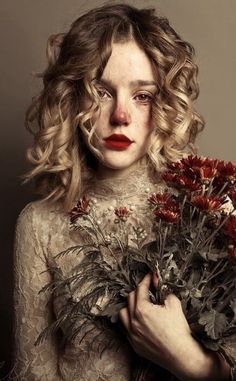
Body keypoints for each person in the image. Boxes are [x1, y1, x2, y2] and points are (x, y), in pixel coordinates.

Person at [13, 3, 235, 380]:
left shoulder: (208, 214)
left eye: (142, 96)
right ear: (74, 99)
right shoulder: (40, 223)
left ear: (164, 104)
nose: (121, 115)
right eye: (101, 92)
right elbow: (34, 372)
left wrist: (190, 362)